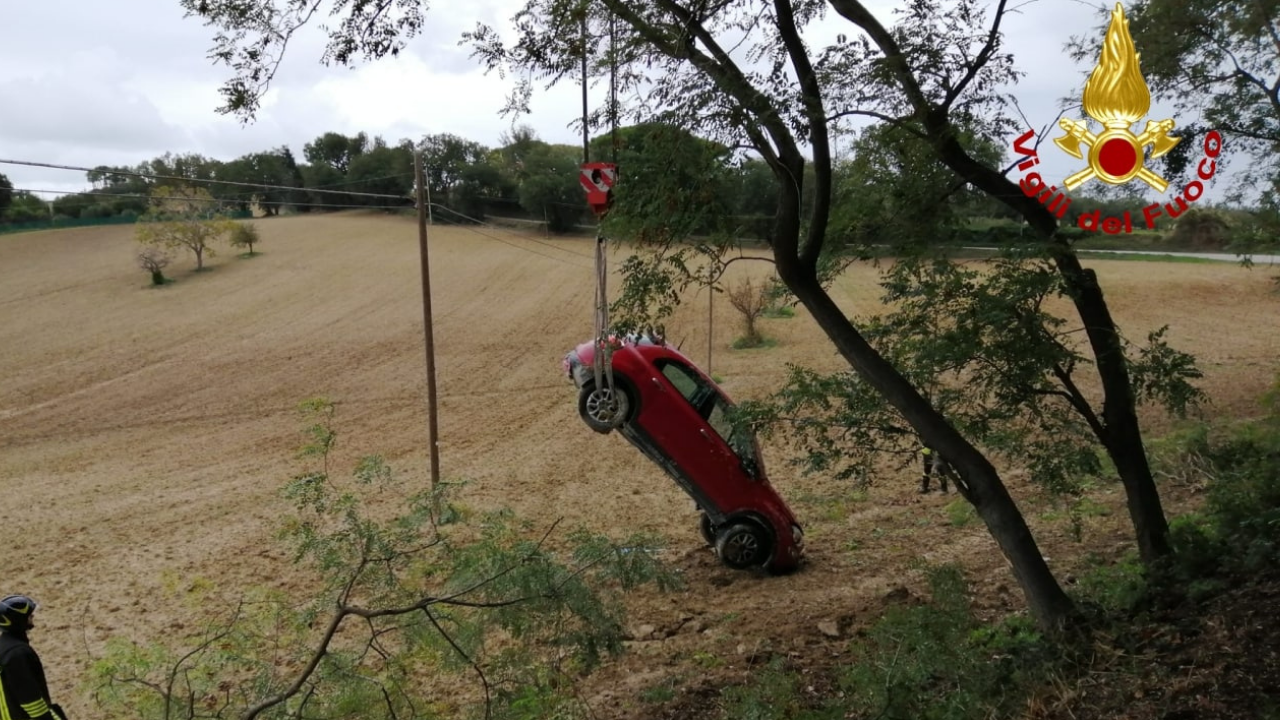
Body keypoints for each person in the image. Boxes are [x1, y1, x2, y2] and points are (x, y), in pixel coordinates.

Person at [0, 595, 65, 720]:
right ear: (18, 619)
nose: (32, 617)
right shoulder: (17, 653)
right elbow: (30, 698)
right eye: (29, 615)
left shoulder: (5, 646)